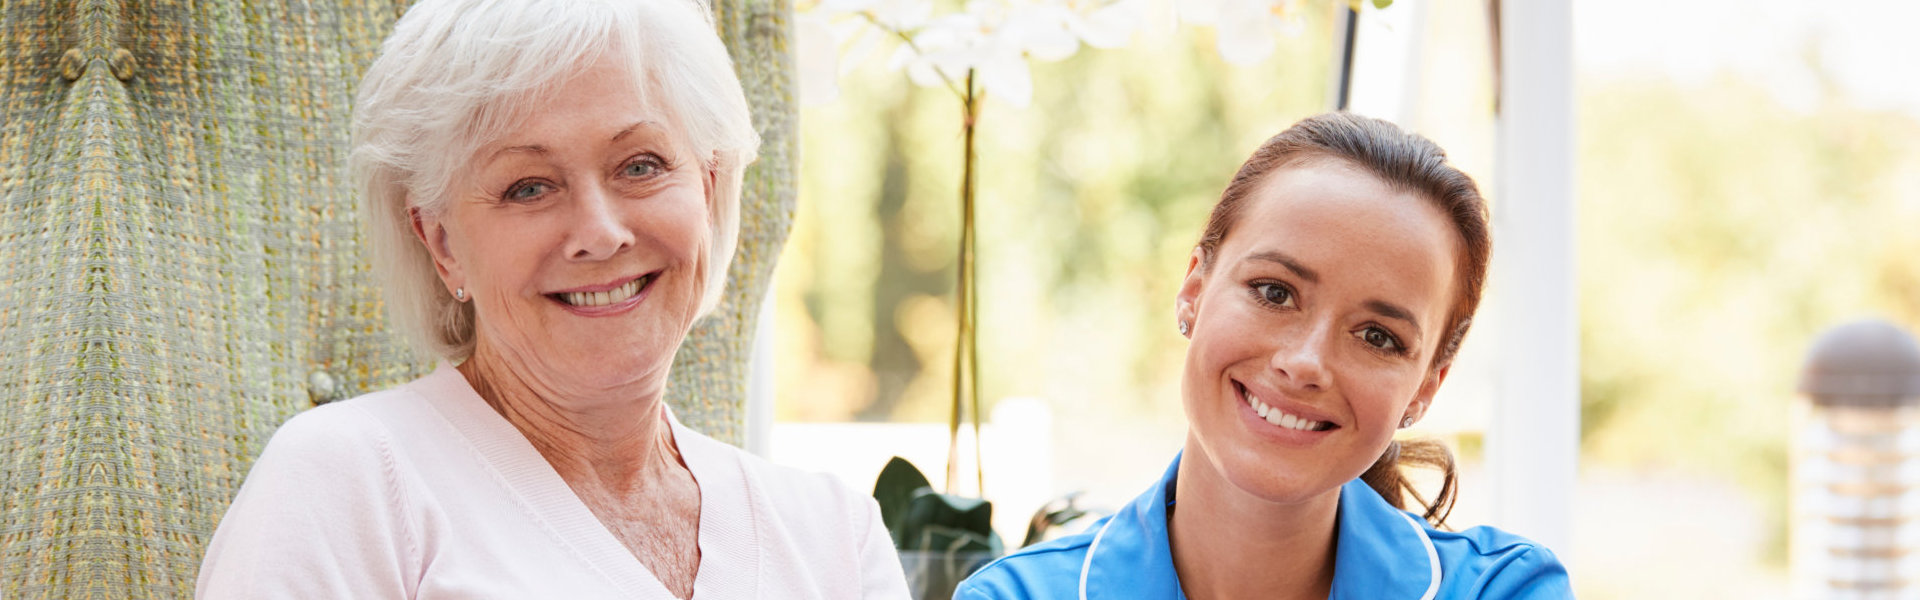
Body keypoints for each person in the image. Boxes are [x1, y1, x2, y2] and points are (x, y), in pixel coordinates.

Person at [195, 1, 909, 597]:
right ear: (441, 243)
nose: (598, 234)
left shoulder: (834, 537)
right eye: (528, 187)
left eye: (641, 165)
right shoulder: (346, 482)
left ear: (710, 189)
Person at [955, 113, 1572, 599]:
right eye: (1275, 293)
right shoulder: (1015, 595)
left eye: (1377, 335)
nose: (1305, 362)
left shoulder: (1504, 591)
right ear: (1194, 288)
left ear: (1425, 388)